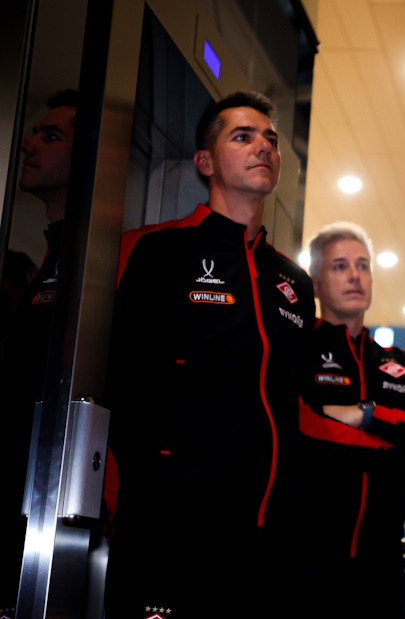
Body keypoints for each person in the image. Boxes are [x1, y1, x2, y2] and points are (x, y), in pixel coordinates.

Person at [103, 91, 315, 617]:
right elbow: (118, 380)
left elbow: (298, 404)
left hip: (266, 536)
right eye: (243, 137)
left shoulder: (293, 280)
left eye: (271, 140)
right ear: (205, 161)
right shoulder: (155, 250)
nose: (264, 147)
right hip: (169, 529)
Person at [298, 222, 405, 616]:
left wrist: (368, 416)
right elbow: (298, 431)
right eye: (339, 266)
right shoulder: (297, 350)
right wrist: (398, 442)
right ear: (315, 284)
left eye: (363, 265)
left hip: (381, 568)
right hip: (305, 564)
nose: (355, 275)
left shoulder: (397, 364)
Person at [0, 89, 77, 614]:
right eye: (34, 133)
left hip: (49, 499)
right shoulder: (53, 255)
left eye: (51, 137)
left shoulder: (95, 261)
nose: (29, 144)